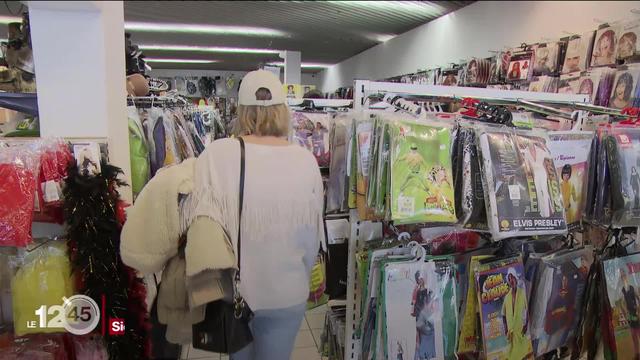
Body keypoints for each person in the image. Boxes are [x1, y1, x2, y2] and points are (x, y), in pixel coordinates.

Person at [188, 70, 324, 360]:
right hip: (288, 291)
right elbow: (313, 239)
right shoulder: (306, 160)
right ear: (283, 111)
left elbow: (201, 228)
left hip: (235, 291)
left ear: (242, 110)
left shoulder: (215, 155)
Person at [502, 268, 532, 360]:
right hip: (511, 333)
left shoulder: (522, 293)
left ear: (516, 278)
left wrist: (526, 324)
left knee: (523, 353)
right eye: (509, 278)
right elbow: (503, 314)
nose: (511, 280)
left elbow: (527, 310)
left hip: (520, 330)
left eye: (512, 278)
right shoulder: (507, 297)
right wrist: (506, 329)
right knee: (511, 355)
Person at [412, 272, 436, 360]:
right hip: (420, 316)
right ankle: (422, 355)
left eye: (421, 278)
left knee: (428, 335)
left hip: (427, 316)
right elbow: (415, 303)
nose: (420, 280)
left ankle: (427, 354)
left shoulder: (428, 291)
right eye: (418, 278)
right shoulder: (417, 291)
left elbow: (431, 304)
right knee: (420, 336)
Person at [621, 270, 640, 358]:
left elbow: (638, 297)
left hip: (637, 313)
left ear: (627, 277)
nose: (623, 277)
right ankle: (637, 354)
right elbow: (623, 303)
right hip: (630, 315)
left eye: (624, 275)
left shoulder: (632, 288)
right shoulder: (622, 290)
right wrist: (626, 312)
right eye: (622, 276)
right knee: (633, 336)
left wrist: (638, 309)